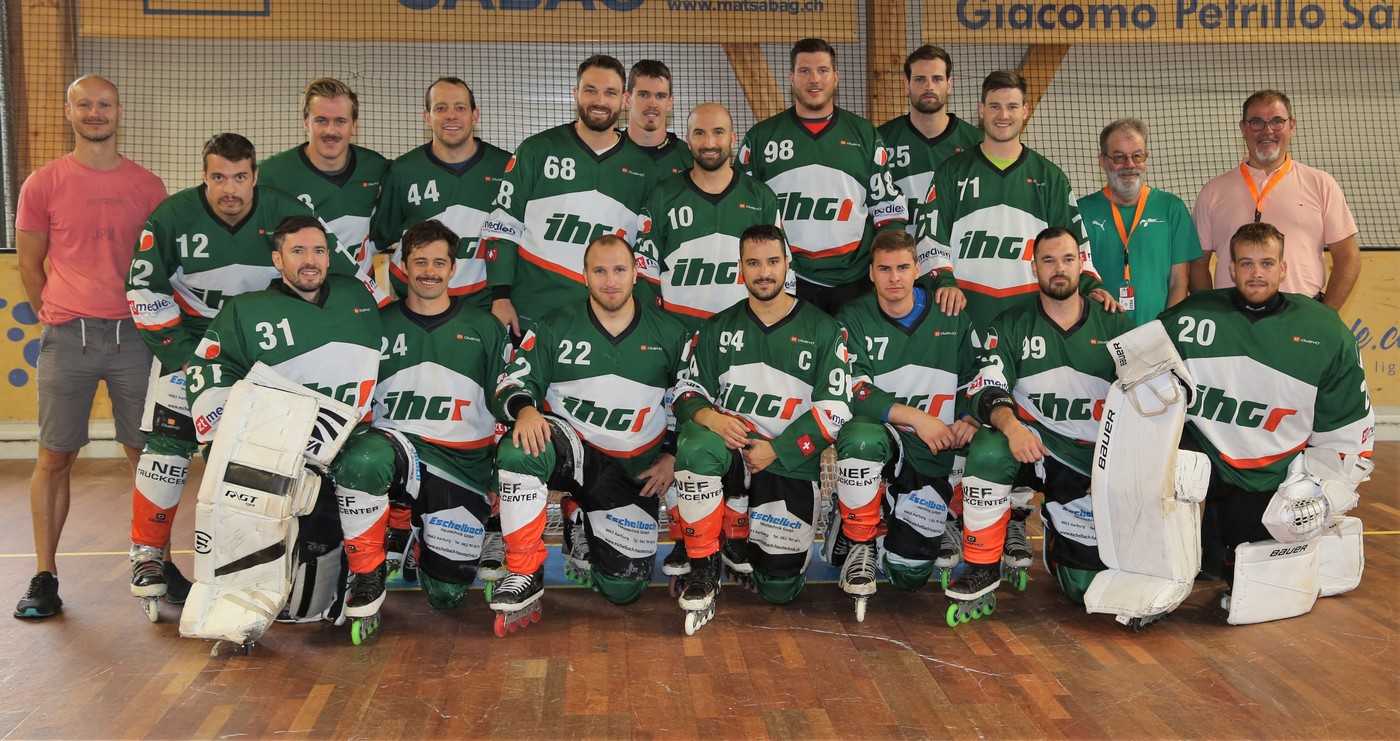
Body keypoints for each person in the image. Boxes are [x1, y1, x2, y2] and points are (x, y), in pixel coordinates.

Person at [125, 133, 363, 615]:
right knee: (168, 445)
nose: (229, 189)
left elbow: (342, 272)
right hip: (192, 352)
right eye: (218, 177)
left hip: (270, 359)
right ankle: (147, 555)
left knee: (267, 461)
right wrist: (185, 356)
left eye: (239, 177)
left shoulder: (288, 211)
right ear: (204, 176)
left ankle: (267, 564)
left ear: (255, 177)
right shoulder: (170, 218)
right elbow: (143, 291)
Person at [184, 215, 385, 641]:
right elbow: (207, 371)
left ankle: (371, 565)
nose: (310, 260)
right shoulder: (244, 310)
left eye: (318, 251)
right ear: (278, 259)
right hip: (282, 454)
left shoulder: (358, 295)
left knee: (372, 467)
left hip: (351, 446)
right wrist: (223, 443)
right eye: (298, 251)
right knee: (302, 610)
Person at [1161, 222, 1374, 624]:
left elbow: (1348, 427)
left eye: (1266, 263)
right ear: (1230, 269)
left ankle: (1233, 553)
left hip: (1271, 470)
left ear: (1283, 268)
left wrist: (1327, 489)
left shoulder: (1326, 332)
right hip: (1207, 457)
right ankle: (1167, 563)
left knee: (1249, 573)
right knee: (1164, 470)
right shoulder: (1190, 316)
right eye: (1246, 263)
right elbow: (1137, 381)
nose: (1256, 273)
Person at [13, 75, 167, 619]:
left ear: (118, 111)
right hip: (67, 338)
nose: (94, 113)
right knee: (54, 457)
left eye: (103, 104)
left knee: (148, 457)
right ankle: (44, 575)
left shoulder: (148, 186)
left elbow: (160, 266)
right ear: (69, 112)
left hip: (135, 340)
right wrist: (55, 315)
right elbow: (29, 262)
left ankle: (155, 562)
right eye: (84, 104)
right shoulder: (43, 183)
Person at [487, 235, 688, 636]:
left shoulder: (670, 332)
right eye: (599, 271)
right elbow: (512, 380)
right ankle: (524, 571)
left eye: (619, 270)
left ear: (636, 274)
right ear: (584, 275)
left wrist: (671, 455)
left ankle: (580, 517)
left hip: (632, 472)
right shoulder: (554, 325)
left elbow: (690, 400)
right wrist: (525, 409)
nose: (610, 281)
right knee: (520, 448)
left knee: (623, 589)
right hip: (574, 454)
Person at [671, 224, 853, 634]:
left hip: (787, 461)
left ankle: (743, 537)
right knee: (696, 444)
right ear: (740, 268)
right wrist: (712, 418)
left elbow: (837, 409)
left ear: (787, 264)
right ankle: (704, 565)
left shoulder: (824, 329)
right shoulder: (717, 328)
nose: (764, 272)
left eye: (772, 261)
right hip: (730, 455)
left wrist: (778, 449)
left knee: (779, 588)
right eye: (753, 263)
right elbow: (685, 391)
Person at [948, 227, 1133, 626]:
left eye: (1067, 259)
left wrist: (1118, 464)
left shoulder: (1116, 323)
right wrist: (1011, 427)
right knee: (989, 446)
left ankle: (1055, 529)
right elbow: (987, 386)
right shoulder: (1011, 323)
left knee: (1083, 589)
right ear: (1034, 268)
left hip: (1086, 460)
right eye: (1048, 260)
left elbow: (1147, 395)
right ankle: (981, 564)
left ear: (1081, 265)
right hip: (1030, 443)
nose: (1058, 269)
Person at [637, 101, 788, 583]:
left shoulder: (760, 195)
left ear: (732, 138)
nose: (709, 142)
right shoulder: (664, 194)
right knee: (685, 436)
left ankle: (736, 532)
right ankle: (688, 536)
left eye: (718, 133)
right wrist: (657, 334)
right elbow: (645, 271)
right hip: (679, 338)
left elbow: (782, 268)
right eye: (700, 133)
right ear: (688, 138)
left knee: (744, 431)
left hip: (743, 339)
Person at [832, 230, 980, 621]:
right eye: (884, 269)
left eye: (902, 267)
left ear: (917, 269)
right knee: (860, 438)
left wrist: (970, 416)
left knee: (907, 575)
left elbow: (975, 377)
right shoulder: (853, 317)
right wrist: (918, 418)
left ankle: (917, 512)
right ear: (871, 273)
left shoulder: (950, 313)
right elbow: (853, 389)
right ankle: (859, 539)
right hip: (889, 439)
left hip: (936, 449)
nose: (894, 278)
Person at [368, 219, 513, 609]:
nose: (429, 272)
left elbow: (504, 405)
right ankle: (390, 532)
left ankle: (421, 531)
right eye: (420, 262)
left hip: (458, 466)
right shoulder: (377, 324)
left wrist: (496, 478)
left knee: (446, 595)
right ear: (403, 266)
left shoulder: (484, 327)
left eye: (438, 263)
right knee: (363, 462)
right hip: (396, 459)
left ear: (453, 268)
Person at [918, 70, 1114, 330]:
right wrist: (944, 282)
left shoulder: (1050, 177)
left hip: (1033, 322)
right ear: (981, 110)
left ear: (1025, 111)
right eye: (994, 106)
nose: (1003, 115)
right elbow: (930, 239)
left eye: (1012, 107)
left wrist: (1090, 285)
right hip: (963, 318)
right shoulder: (951, 172)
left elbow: (1074, 245)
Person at [483, 55, 657, 336]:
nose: (599, 100)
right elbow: (503, 225)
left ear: (625, 100)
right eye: (590, 90)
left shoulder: (643, 168)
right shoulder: (536, 151)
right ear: (575, 93)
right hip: (532, 317)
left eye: (610, 92)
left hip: (609, 325)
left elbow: (648, 251)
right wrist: (500, 297)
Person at [739, 37, 907, 314]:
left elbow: (888, 209)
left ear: (835, 77)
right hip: (789, 281)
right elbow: (742, 210)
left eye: (823, 70)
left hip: (855, 283)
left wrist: (884, 266)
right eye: (804, 71)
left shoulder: (864, 134)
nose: (814, 79)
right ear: (791, 77)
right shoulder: (760, 138)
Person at [1190, 91, 1360, 310]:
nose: (1267, 130)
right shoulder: (1213, 191)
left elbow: (1348, 256)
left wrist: (1324, 316)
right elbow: (1197, 263)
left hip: (1301, 315)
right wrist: (1212, 314)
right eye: (1256, 122)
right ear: (1243, 128)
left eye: (1277, 121)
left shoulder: (1321, 184)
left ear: (1292, 126)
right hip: (1232, 319)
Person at [371, 77, 512, 307]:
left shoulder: (506, 167)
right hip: (417, 307)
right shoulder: (402, 170)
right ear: (427, 117)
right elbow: (378, 240)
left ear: (475, 115)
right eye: (441, 108)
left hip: (485, 307)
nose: (451, 116)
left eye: (460, 108)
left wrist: (503, 297)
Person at [259, 77, 389, 301]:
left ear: (354, 125)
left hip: (356, 297)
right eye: (321, 120)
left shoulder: (377, 168)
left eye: (340, 121)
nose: (331, 130)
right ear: (305, 122)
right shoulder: (272, 175)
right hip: (296, 299)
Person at [1078, 119, 1201, 326]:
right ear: (1102, 160)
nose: (1129, 165)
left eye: (1137, 156)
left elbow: (1179, 282)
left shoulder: (1172, 208)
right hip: (1099, 333)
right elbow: (1076, 279)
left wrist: (1165, 330)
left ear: (1146, 158)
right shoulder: (1081, 211)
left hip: (1157, 332)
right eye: (1119, 157)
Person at [877, 45, 981, 261]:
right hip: (900, 267)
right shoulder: (880, 141)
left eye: (937, 79)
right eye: (919, 79)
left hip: (959, 264)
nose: (929, 86)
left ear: (949, 84)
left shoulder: (976, 143)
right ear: (906, 85)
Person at [623, 60, 691, 180]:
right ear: (628, 99)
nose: (652, 104)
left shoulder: (689, 157)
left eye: (660, 96)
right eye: (643, 95)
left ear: (669, 102)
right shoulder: (609, 151)